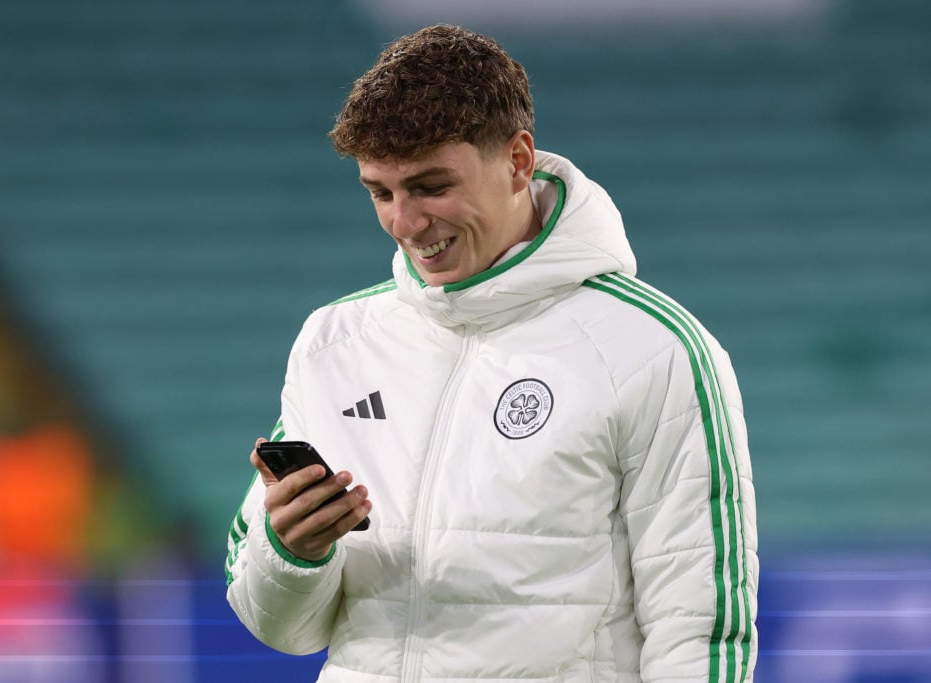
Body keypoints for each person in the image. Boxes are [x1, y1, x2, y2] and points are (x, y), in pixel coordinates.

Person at [225, 24, 758, 683]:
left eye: (430, 186)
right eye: (380, 192)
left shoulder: (655, 349)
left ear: (518, 160)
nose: (404, 223)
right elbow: (278, 626)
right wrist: (292, 552)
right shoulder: (334, 342)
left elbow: (700, 632)